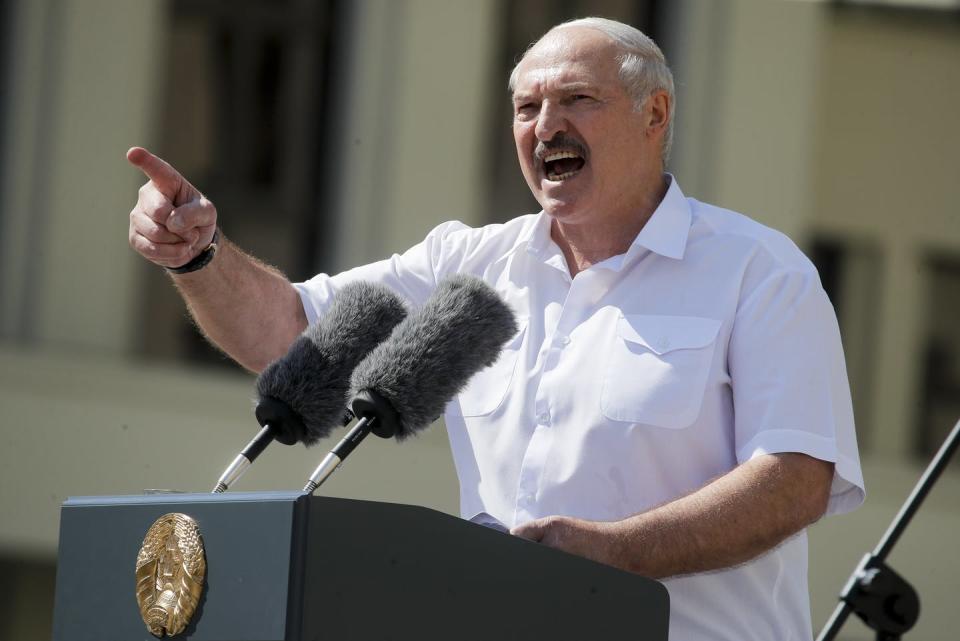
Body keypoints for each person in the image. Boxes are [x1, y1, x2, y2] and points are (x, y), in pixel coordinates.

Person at [127, 17, 864, 641]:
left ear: (655, 115)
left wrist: (617, 551)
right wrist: (200, 255)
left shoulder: (759, 271)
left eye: (578, 99)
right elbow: (290, 335)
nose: (547, 126)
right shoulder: (469, 265)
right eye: (526, 107)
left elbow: (796, 479)